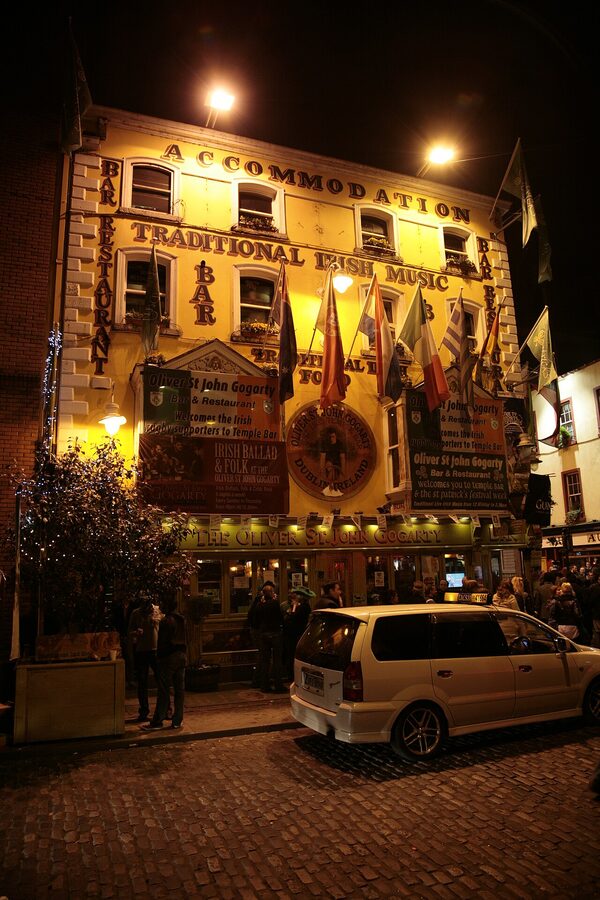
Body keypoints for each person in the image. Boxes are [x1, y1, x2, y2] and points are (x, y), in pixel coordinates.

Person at [143, 595, 187, 730]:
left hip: (168, 657)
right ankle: (177, 720)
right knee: (179, 690)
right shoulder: (181, 619)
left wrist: (159, 657)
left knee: (163, 689)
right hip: (181, 656)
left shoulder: (166, 621)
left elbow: (162, 642)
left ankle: (158, 720)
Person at [128, 593, 162, 723]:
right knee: (142, 682)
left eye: (147, 606)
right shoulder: (136, 613)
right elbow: (129, 631)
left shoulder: (156, 611)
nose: (146, 609)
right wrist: (136, 632)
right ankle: (144, 711)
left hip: (155, 650)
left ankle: (164, 709)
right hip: (141, 651)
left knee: (161, 680)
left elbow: (162, 627)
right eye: (143, 606)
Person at [254, 583, 286, 693]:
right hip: (275, 633)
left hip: (264, 634)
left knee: (265, 661)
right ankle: (278, 685)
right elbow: (280, 617)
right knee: (277, 660)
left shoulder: (259, 605)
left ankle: (264, 685)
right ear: (272, 593)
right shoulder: (275, 604)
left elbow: (256, 618)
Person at [247, 581, 276, 688]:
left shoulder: (258, 601)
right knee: (263, 656)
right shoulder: (262, 602)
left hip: (258, 630)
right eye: (272, 591)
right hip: (260, 631)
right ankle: (260, 680)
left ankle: (260, 680)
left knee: (263, 656)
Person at [282, 587, 314, 680]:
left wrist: (292, 610)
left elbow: (293, 619)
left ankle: (292, 676)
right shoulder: (302, 606)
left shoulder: (303, 607)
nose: (296, 596)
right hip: (294, 634)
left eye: (298, 594)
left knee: (292, 654)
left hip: (295, 635)